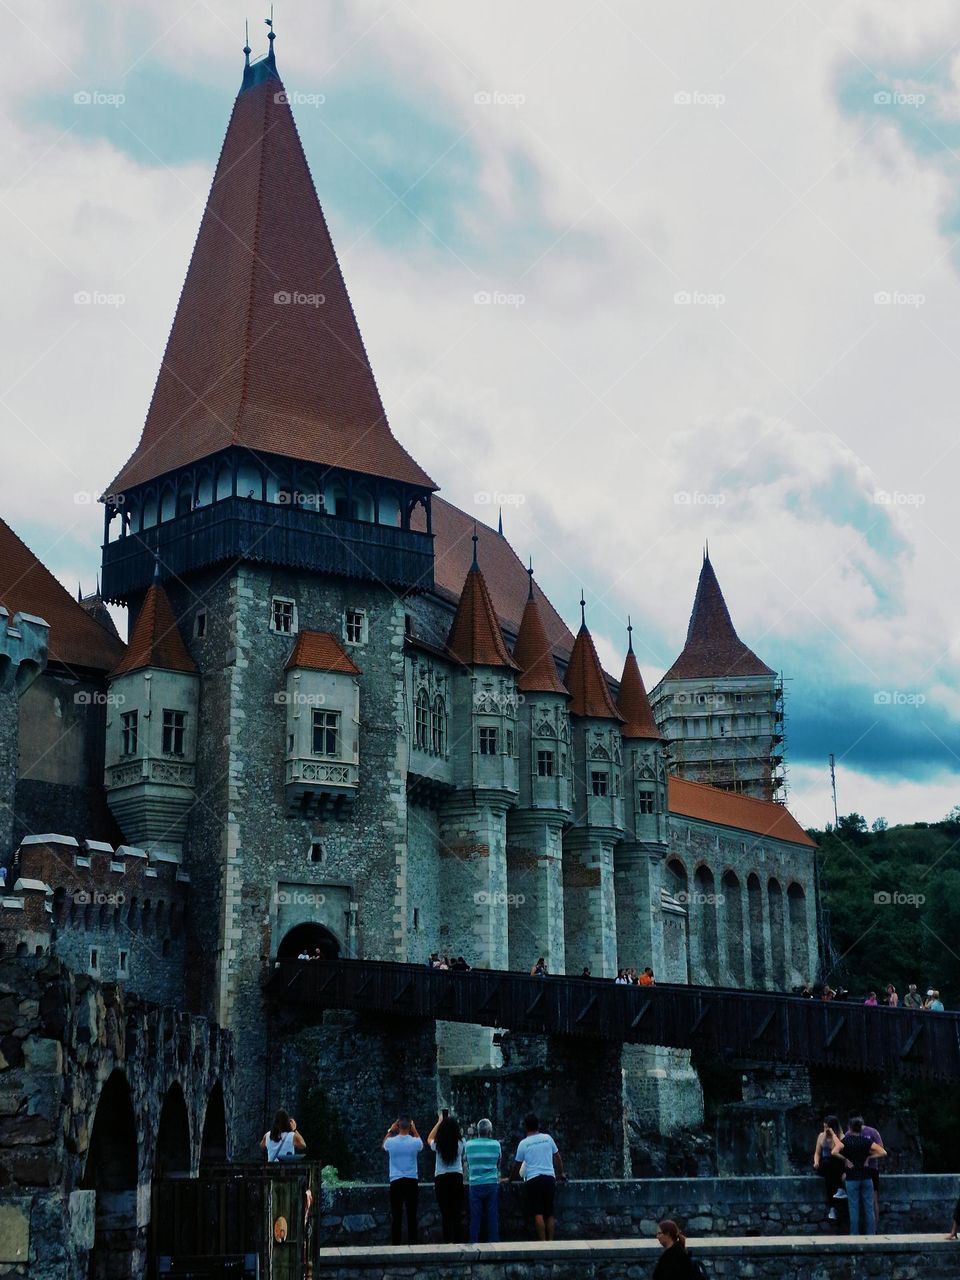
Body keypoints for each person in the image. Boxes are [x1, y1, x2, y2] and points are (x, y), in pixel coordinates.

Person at [508, 1113, 565, 1242]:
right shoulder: (547, 1138)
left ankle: (543, 1242)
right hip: (549, 1178)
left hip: (533, 1179)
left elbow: (517, 1166)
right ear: (538, 1125)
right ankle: (551, 1241)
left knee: (538, 1213)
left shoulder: (523, 1144)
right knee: (549, 1212)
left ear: (525, 1127)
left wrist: (510, 1179)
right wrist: (561, 1173)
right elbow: (557, 1157)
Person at [830, 1116, 885, 1234]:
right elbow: (883, 1152)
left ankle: (854, 1235)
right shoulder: (866, 1141)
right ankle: (871, 1234)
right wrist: (869, 1158)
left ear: (850, 1128)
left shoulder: (846, 1141)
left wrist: (845, 1159)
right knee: (869, 1208)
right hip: (866, 1177)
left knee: (853, 1208)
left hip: (852, 1178)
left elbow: (834, 1152)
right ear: (860, 1128)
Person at [383, 1115, 423, 1244]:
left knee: (396, 1215)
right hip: (411, 1180)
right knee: (412, 1214)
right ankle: (413, 1243)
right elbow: (421, 1144)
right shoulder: (414, 1142)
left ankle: (396, 1244)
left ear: (397, 1126)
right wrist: (414, 1129)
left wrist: (390, 1129)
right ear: (410, 1127)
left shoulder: (391, 1142)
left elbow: (383, 1145)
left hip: (396, 1180)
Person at [427, 1111, 464, 1243]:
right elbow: (458, 1134)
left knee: (445, 1212)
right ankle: (458, 1240)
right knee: (457, 1212)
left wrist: (439, 1123)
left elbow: (429, 1138)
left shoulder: (438, 1145)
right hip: (457, 1177)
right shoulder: (460, 1143)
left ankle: (448, 1240)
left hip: (441, 1179)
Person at [464, 1117, 501, 1243]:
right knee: (492, 1215)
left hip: (475, 1184)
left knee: (475, 1216)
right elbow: (498, 1164)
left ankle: (473, 1242)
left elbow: (467, 1163)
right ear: (490, 1131)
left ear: (478, 1131)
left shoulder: (469, 1145)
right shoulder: (496, 1144)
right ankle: (494, 1242)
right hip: (491, 1184)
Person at [813, 1116, 845, 1221]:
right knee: (827, 1164)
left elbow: (834, 1150)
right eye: (824, 1126)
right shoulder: (821, 1136)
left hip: (836, 1164)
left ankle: (832, 1207)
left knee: (830, 1178)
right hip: (825, 1164)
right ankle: (839, 1189)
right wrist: (816, 1162)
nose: (825, 1129)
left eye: (827, 1127)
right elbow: (817, 1153)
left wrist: (832, 1135)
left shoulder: (841, 1137)